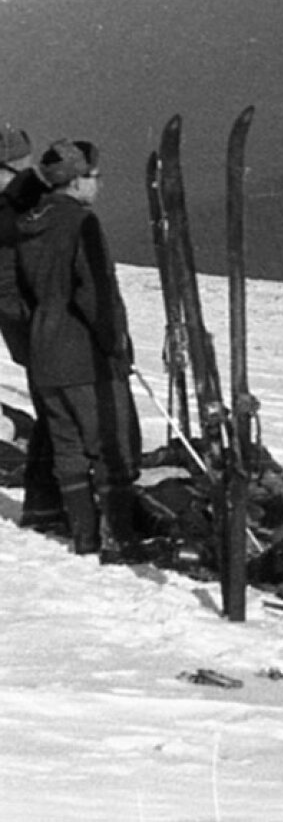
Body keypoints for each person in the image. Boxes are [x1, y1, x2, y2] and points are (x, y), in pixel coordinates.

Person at [15, 140, 143, 558]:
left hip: (43, 349)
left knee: (67, 446)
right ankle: (119, 537)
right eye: (92, 176)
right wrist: (115, 344)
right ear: (74, 181)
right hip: (83, 352)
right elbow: (95, 290)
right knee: (110, 443)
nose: (98, 184)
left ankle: (84, 536)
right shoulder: (81, 223)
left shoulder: (30, 222)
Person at [0, 124, 62, 532]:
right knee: (53, 405)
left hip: (28, 315)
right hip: (28, 316)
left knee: (50, 404)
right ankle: (46, 504)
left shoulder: (15, 200)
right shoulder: (11, 207)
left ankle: (46, 502)